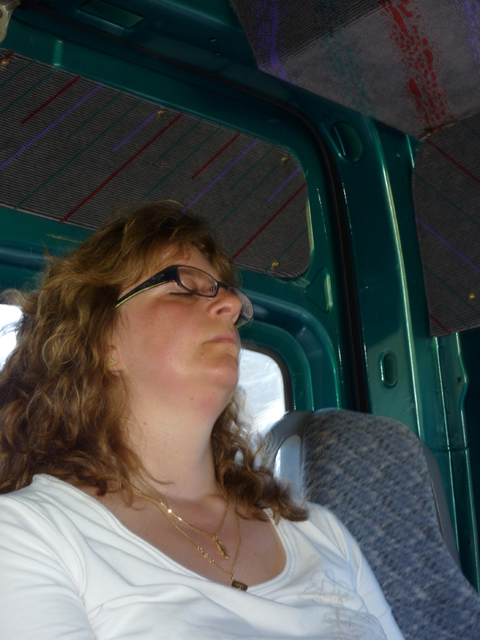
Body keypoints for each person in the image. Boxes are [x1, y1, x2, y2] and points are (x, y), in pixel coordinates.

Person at [0, 201, 404, 640]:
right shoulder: (28, 534)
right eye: (183, 288)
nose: (231, 304)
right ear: (102, 342)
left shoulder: (321, 533)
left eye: (227, 293)